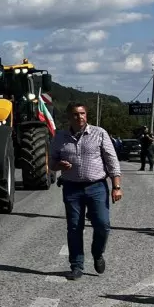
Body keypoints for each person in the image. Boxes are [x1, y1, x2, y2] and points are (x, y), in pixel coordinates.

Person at [49, 102, 122, 281]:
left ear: (86, 115)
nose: (79, 117)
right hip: (71, 188)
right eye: (75, 114)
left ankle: (97, 253)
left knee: (103, 224)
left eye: (82, 113)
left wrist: (116, 186)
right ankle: (76, 265)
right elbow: (51, 163)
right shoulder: (60, 137)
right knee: (74, 227)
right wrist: (58, 165)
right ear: (69, 117)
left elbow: (112, 160)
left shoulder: (99, 133)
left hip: (97, 187)